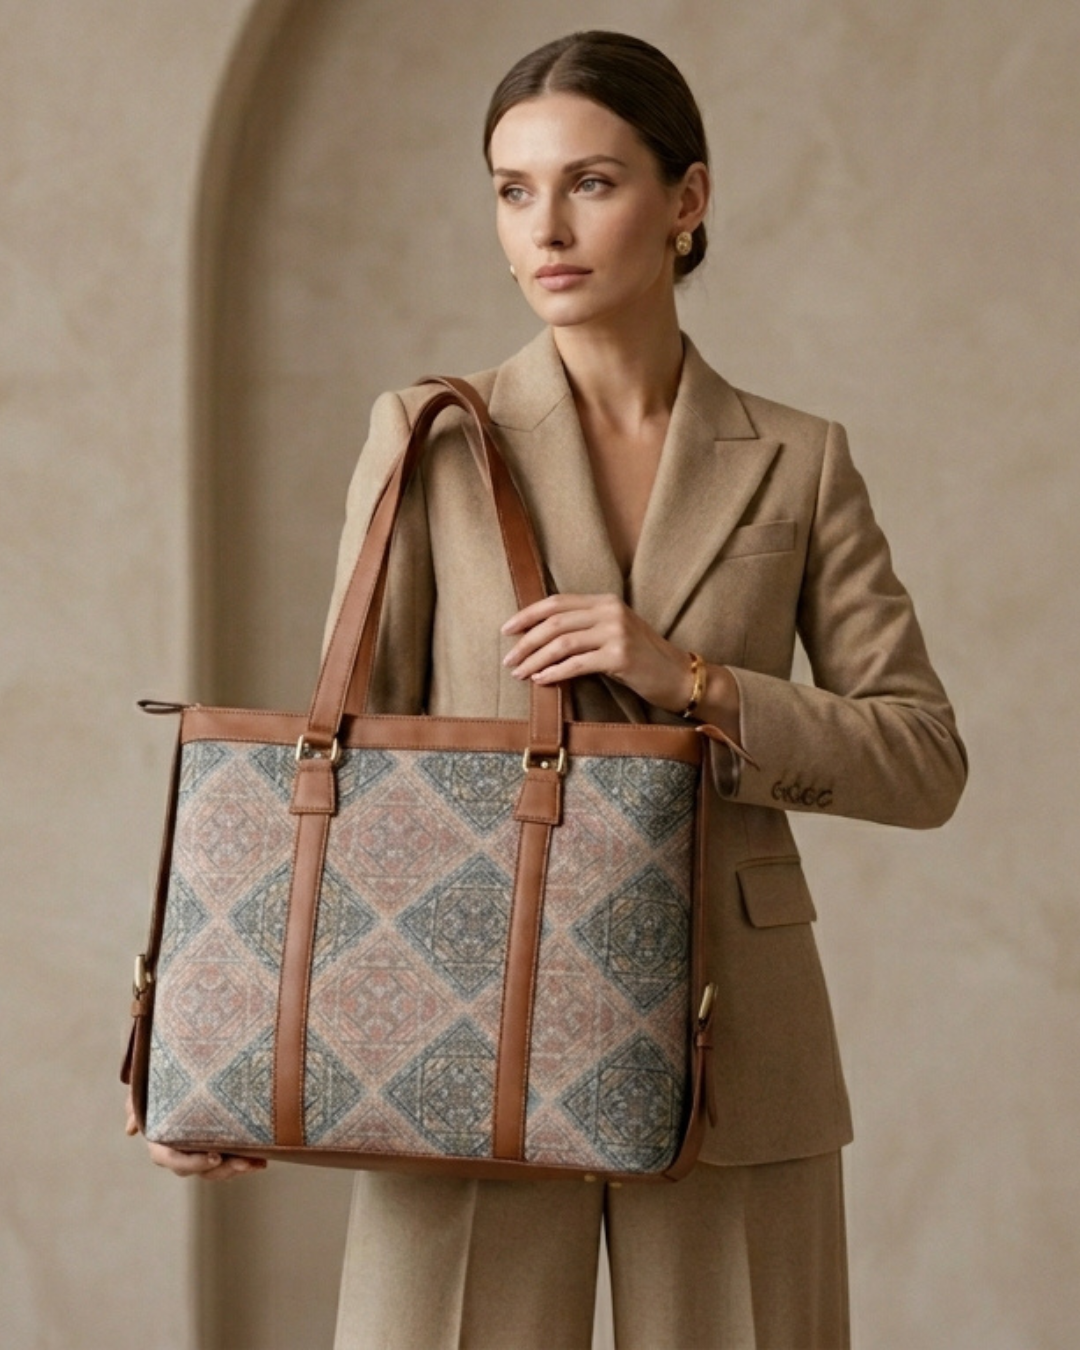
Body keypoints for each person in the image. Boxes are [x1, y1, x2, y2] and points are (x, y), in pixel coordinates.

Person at [132, 30, 967, 1350]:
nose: (547, 227)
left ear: (687, 199)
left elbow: (921, 757)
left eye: (592, 182)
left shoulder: (799, 463)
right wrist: (228, 1065)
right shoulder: (428, 436)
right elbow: (344, 775)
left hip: (737, 1042)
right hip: (463, 1016)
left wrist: (685, 676)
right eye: (514, 189)